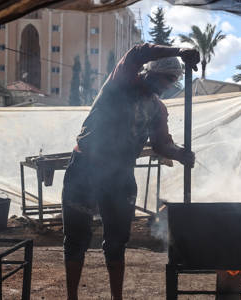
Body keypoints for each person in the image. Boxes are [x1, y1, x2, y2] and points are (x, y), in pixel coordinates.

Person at [62, 43, 199, 300]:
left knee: (116, 241)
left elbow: (161, 144)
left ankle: (117, 297)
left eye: (174, 80)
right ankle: (72, 297)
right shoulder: (123, 81)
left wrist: (181, 154)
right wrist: (180, 51)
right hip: (86, 167)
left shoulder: (157, 108)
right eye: (167, 78)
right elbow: (137, 52)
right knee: (76, 238)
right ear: (152, 71)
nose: (168, 85)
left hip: (120, 174)